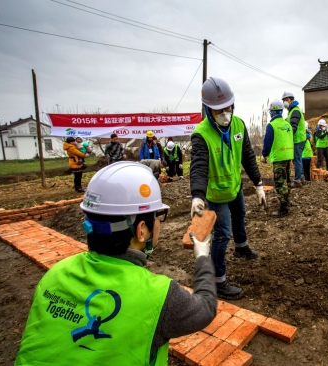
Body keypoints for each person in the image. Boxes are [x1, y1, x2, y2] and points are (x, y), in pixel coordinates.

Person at [15, 162, 217, 365]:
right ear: (141, 230)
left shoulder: (54, 274)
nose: (158, 223)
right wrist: (202, 256)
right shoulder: (159, 296)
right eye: (158, 216)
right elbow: (206, 306)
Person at [190, 77, 265, 300]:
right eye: (219, 110)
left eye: (228, 107)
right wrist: (197, 196)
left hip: (234, 187)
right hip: (216, 193)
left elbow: (248, 156)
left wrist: (258, 183)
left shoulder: (239, 125)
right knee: (222, 233)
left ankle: (242, 247)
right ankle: (217, 281)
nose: (225, 113)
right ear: (208, 109)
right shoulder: (201, 134)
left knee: (240, 215)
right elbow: (199, 167)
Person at [261, 99, 293, 218]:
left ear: (273, 112)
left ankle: (284, 208)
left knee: (280, 182)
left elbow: (267, 142)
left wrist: (264, 155)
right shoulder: (287, 124)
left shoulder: (272, 126)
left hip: (279, 157)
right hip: (288, 156)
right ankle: (287, 200)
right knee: (287, 180)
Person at [282, 92, 305, 188]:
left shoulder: (295, 111)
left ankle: (297, 181)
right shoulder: (292, 111)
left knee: (297, 160)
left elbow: (293, 127)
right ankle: (301, 177)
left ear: (291, 100)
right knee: (299, 159)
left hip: (297, 140)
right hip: (299, 139)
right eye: (283, 100)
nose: (284, 102)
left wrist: (288, 137)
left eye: (286, 100)